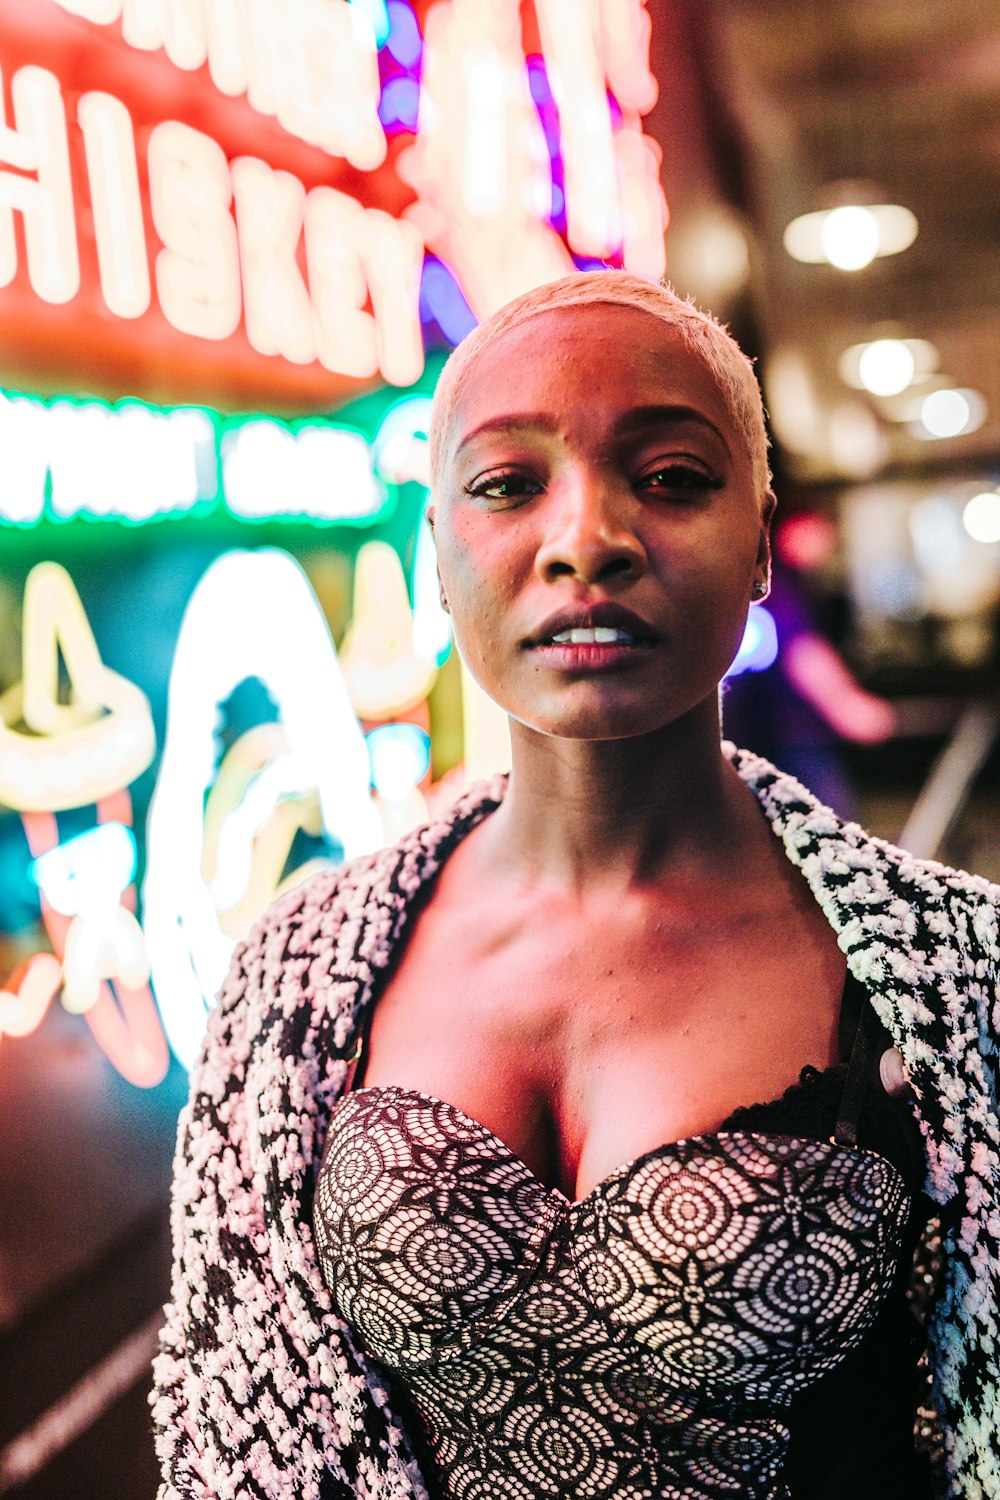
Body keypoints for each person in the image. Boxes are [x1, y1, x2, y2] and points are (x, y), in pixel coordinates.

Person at [151, 272, 1000, 1500]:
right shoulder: (292, 974)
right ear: (437, 558)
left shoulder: (955, 973)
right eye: (506, 484)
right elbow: (229, 1434)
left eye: (671, 478)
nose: (588, 538)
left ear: (759, 543)